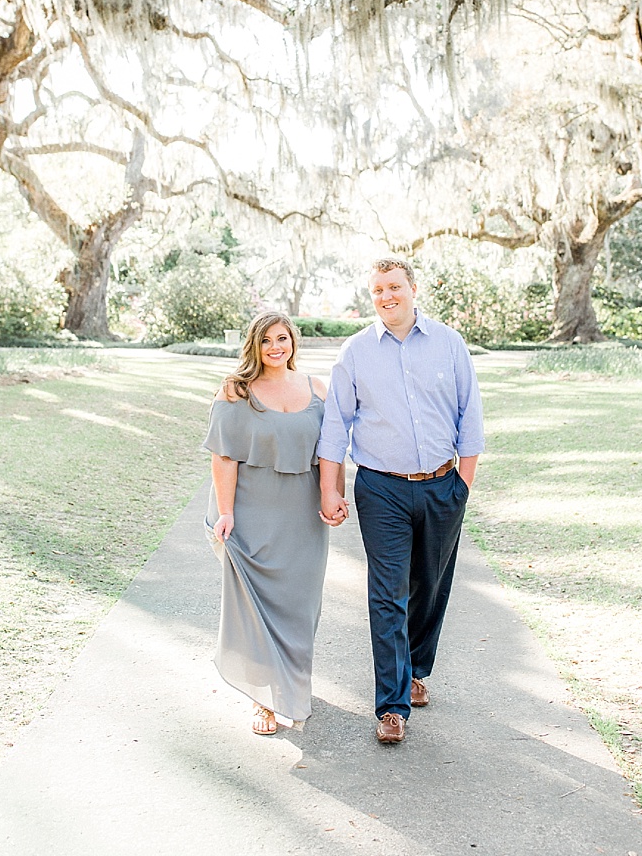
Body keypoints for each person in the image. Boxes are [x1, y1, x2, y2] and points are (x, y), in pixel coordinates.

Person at [318, 256, 484, 745]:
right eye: (377, 290)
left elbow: (469, 414)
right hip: (382, 489)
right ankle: (392, 706)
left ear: (412, 288)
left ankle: (416, 669)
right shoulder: (354, 353)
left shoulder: (449, 344)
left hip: (442, 485)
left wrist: (463, 486)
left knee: (430, 585)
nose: (386, 296)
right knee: (388, 592)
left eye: (394, 286)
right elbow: (334, 426)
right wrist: (332, 489)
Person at [204, 311, 332, 734]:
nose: (275, 347)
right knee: (256, 607)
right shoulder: (235, 391)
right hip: (252, 512)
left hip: (302, 516)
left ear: (293, 341)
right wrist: (226, 512)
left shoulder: (317, 388)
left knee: (299, 606)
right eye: (266, 341)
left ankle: (294, 686)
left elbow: (333, 449)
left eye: (282, 338)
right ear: (253, 346)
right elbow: (223, 455)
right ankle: (264, 699)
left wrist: (335, 494)